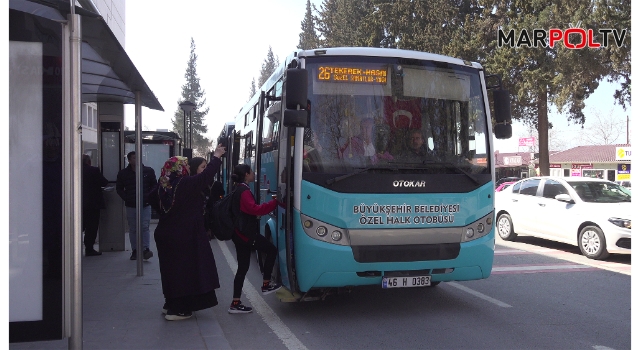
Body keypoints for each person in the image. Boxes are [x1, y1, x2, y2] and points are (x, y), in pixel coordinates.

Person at [148, 145, 226, 321]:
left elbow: (150, 198)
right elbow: (206, 176)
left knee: (170, 271)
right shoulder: (185, 184)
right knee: (185, 272)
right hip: (183, 236)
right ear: (180, 169)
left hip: (164, 235)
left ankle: (170, 303)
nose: (189, 169)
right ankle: (179, 309)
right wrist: (217, 156)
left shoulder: (162, 186)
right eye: (187, 167)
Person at [228, 164, 281, 314]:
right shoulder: (244, 191)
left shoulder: (238, 188)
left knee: (242, 268)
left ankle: (235, 303)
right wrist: (274, 202)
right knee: (271, 250)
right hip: (247, 235)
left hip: (239, 234)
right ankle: (266, 284)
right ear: (246, 174)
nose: (253, 174)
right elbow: (254, 209)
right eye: (251, 172)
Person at [116, 151, 157, 260]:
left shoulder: (148, 171)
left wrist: (148, 196)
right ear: (129, 160)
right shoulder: (123, 173)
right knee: (133, 228)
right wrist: (127, 197)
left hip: (145, 204)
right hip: (131, 205)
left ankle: (145, 249)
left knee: (144, 226)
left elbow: (154, 185)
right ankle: (135, 250)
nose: (137, 160)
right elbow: (119, 188)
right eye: (134, 158)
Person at [188, 156, 224, 239]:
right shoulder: (190, 185)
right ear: (194, 169)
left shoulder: (206, 185)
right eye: (203, 167)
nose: (206, 170)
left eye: (206, 167)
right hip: (192, 228)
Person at [82, 154, 109, 256]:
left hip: (78, 204)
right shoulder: (93, 170)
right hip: (93, 204)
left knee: (80, 225)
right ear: (89, 162)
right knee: (91, 227)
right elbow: (104, 182)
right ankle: (89, 248)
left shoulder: (72, 170)